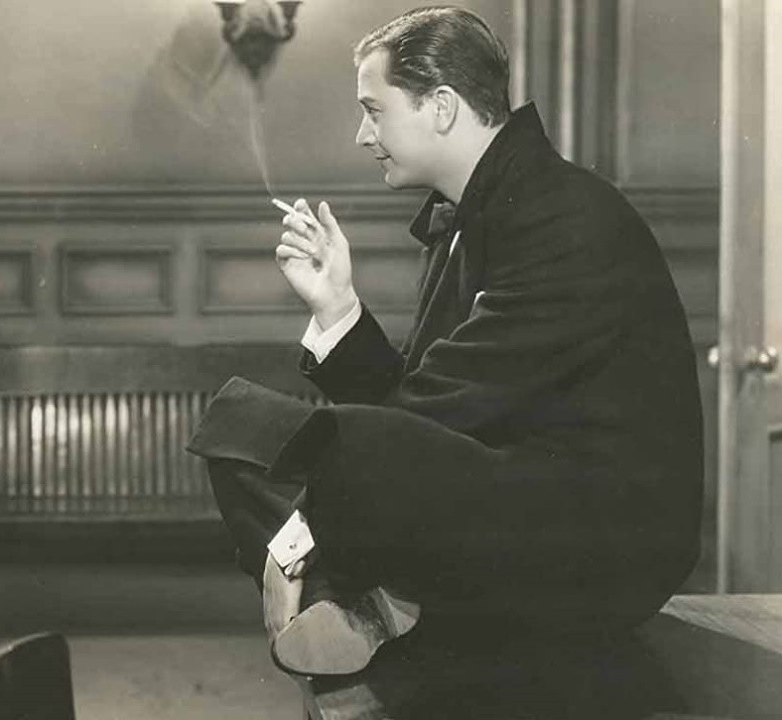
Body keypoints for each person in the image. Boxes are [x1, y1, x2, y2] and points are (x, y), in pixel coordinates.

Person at [188, 4, 703, 685]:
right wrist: (337, 306)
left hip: (597, 553)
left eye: (374, 111)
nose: (362, 135)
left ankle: (344, 597)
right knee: (238, 426)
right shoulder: (479, 211)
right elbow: (423, 405)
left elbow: (431, 415)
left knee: (317, 445)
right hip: (508, 503)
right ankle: (357, 605)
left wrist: (295, 536)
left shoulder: (562, 216)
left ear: (440, 106)